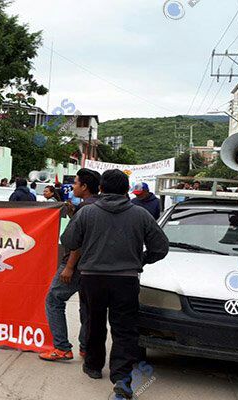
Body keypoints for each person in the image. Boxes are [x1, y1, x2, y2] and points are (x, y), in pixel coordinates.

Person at [61, 169, 168, 399]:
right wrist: (141, 259)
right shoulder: (140, 214)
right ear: (127, 189)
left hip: (92, 278)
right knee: (124, 329)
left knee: (93, 322)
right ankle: (122, 377)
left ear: (101, 188)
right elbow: (160, 247)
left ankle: (93, 366)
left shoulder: (87, 212)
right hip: (126, 279)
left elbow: (69, 240)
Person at [40, 168, 101, 362]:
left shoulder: (85, 208)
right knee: (87, 307)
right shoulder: (98, 205)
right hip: (93, 266)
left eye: (75, 183)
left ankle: (61, 347)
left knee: (53, 300)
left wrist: (69, 267)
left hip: (76, 264)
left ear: (84, 186)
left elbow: (78, 242)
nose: (73, 186)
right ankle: (86, 347)